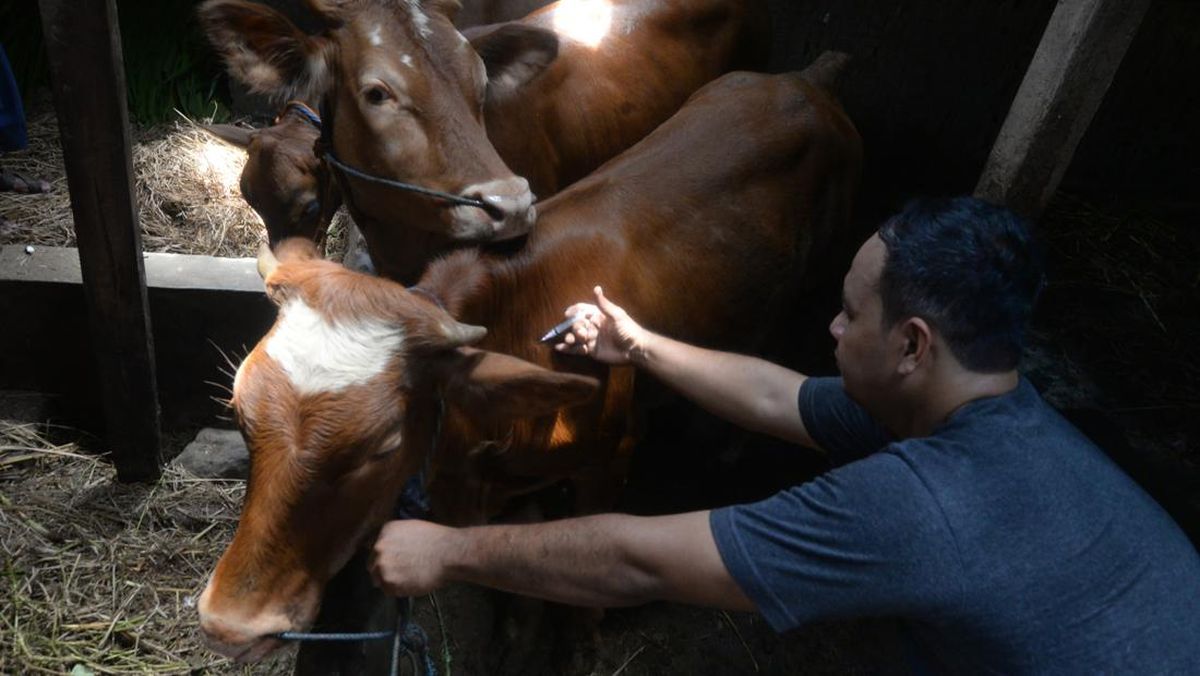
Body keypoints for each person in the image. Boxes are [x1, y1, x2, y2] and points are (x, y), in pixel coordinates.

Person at [370, 196, 1200, 672]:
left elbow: (638, 561)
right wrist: (641, 345)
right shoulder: (988, 414)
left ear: (912, 344)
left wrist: (449, 551)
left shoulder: (919, 506)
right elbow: (783, 397)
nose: (833, 330)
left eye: (849, 313)